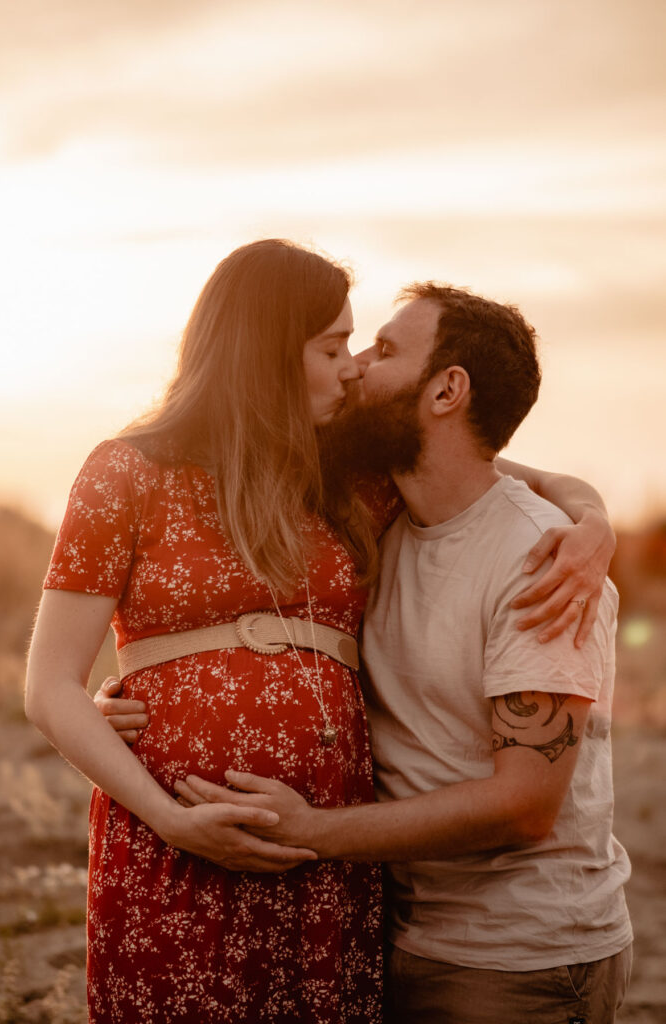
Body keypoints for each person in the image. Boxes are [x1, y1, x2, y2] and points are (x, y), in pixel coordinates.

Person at [27, 240, 615, 1024]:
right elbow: (48, 686)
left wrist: (592, 520)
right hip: (172, 840)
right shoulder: (124, 473)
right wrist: (169, 816)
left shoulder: (348, 473)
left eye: (362, 349)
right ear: (270, 350)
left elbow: (494, 472)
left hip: (327, 857)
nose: (350, 369)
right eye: (333, 347)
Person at [169, 284, 632, 1023]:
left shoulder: (541, 562)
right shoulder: (381, 517)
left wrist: (311, 831)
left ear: (447, 391)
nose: (354, 364)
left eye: (383, 350)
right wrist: (147, 689)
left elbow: (524, 804)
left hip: (521, 960)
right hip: (400, 932)